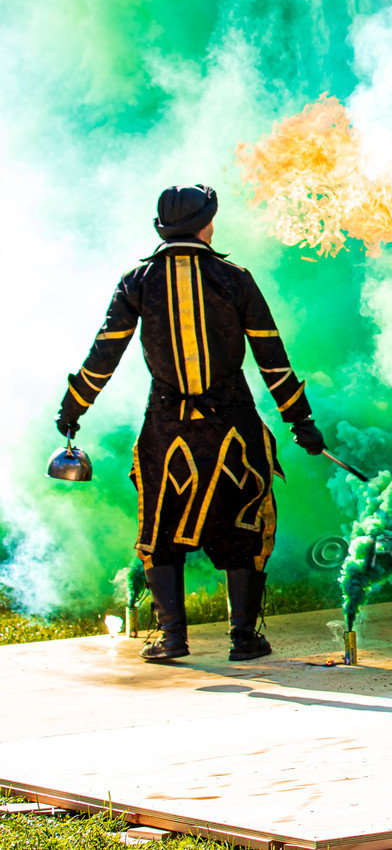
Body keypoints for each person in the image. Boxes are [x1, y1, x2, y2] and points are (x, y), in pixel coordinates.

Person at [54, 185, 325, 663]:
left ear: (163, 228)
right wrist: (299, 419)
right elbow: (270, 355)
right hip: (232, 428)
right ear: (207, 225)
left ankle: (173, 637)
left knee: (161, 527)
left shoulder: (137, 280)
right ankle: (244, 638)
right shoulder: (233, 278)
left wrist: (74, 406)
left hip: (166, 429)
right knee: (243, 523)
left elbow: (106, 351)